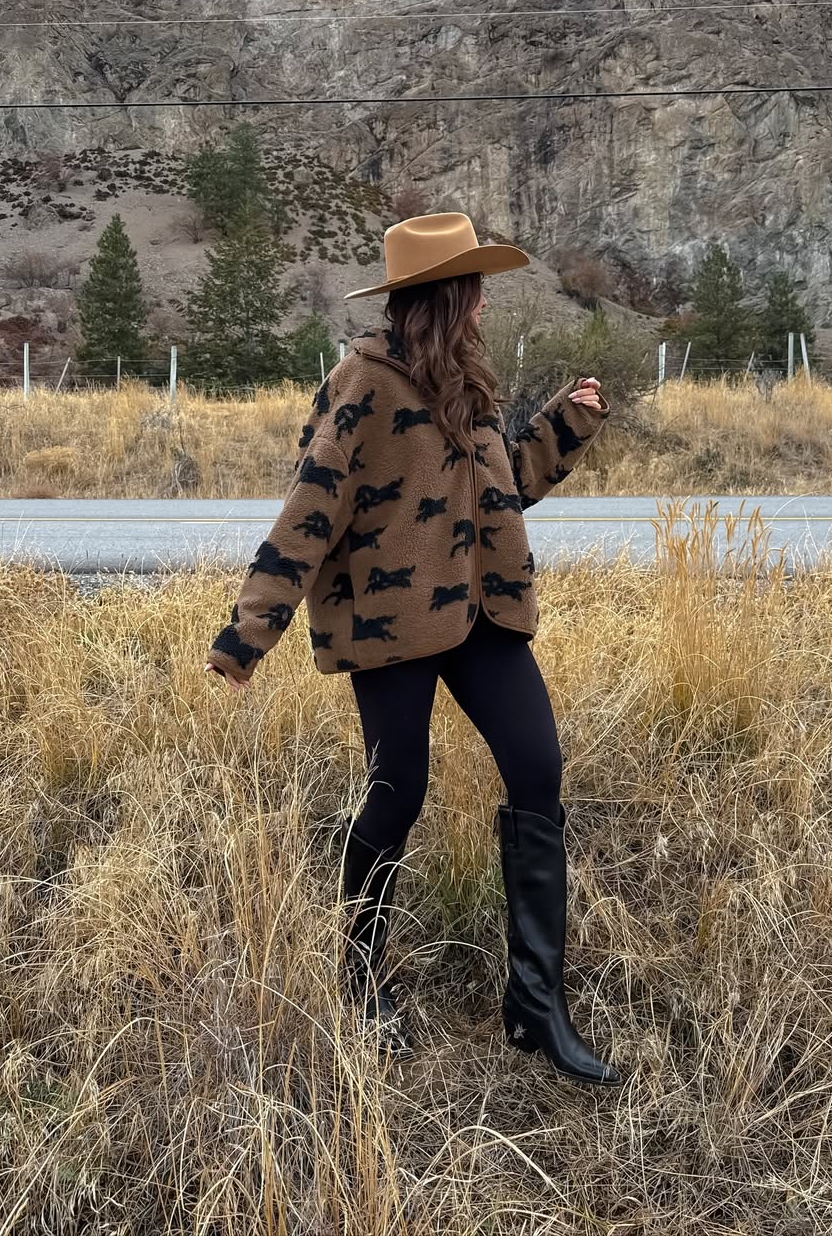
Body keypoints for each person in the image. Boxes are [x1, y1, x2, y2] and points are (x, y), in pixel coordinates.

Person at [204, 212, 621, 1086]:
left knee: (537, 768)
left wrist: (565, 426)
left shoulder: (467, 382)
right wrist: (249, 633)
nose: (484, 304)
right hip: (391, 625)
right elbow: (310, 508)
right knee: (398, 792)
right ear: (446, 297)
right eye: (475, 289)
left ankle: (535, 1004)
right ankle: (360, 982)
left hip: (482, 614)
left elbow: (502, 488)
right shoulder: (363, 384)